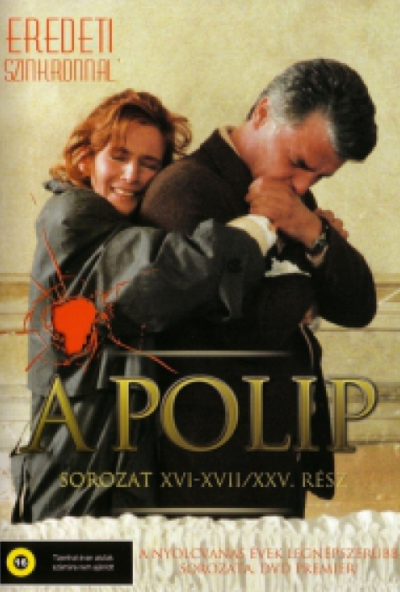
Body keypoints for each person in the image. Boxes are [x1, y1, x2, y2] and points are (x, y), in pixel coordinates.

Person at [11, 89, 283, 523]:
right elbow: (169, 268)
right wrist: (262, 227)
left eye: (149, 163)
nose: (132, 175)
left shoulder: (111, 222)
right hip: (77, 465)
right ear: (85, 159)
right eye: (118, 157)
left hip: (99, 454)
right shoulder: (70, 217)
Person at [139, 58, 378, 518]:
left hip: (276, 464)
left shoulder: (292, 199)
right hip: (204, 475)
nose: (304, 186)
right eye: (299, 164)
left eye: (320, 178)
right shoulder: (183, 191)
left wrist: (311, 230)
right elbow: (229, 331)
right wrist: (306, 289)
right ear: (264, 113)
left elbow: (359, 306)